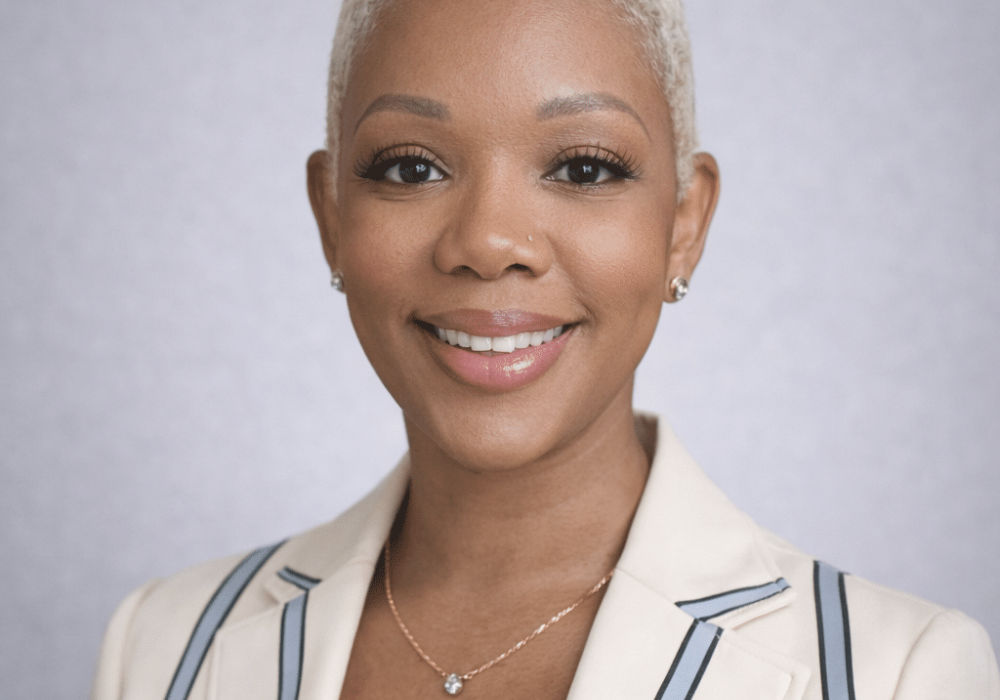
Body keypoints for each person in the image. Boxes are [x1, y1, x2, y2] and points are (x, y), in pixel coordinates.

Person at [90, 0, 999, 698]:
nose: (490, 243)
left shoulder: (897, 673)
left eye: (583, 167)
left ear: (684, 224)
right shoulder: (166, 648)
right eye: (411, 167)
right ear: (332, 217)